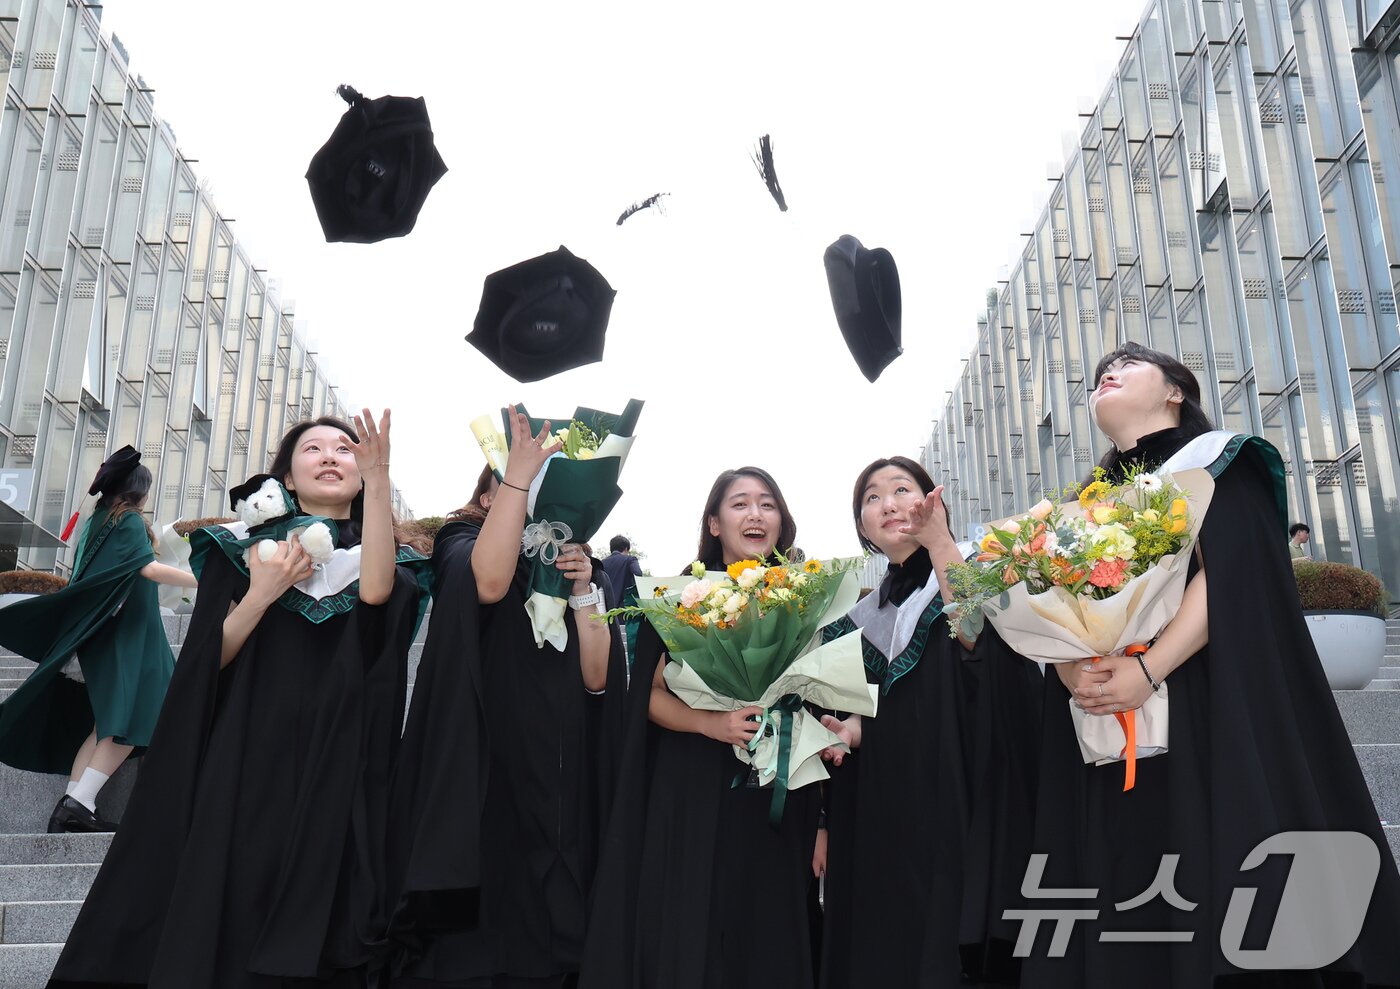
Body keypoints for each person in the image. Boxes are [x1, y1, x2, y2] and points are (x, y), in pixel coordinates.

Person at [1023, 342, 1400, 987]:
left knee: (1216, 860)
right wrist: (1073, 671)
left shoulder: (1223, 460)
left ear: (1176, 390)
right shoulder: (1079, 504)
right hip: (1109, 712)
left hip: (1205, 693)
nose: (1105, 375)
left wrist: (1150, 669)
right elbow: (1053, 606)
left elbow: (1231, 572)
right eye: (1098, 374)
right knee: (1131, 876)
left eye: (1128, 365)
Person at [49, 411, 432, 989]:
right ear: (288, 474)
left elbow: (376, 591)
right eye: (313, 449)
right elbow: (210, 656)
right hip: (248, 749)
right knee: (234, 893)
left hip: (342, 754)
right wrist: (263, 593)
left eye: (345, 449)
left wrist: (379, 487)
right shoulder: (239, 547)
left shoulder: (390, 555)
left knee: (327, 905)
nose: (330, 456)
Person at [383, 407, 614, 989]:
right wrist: (517, 473)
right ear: (489, 496)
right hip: (483, 738)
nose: (535, 481)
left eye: (545, 477)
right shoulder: (460, 539)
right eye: (516, 476)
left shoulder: (582, 561)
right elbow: (486, 582)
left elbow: (597, 678)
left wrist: (586, 589)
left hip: (556, 750)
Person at [581, 467, 821, 989]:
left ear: (782, 521)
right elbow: (644, 695)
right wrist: (709, 723)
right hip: (694, 778)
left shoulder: (808, 598)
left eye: (767, 504)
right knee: (694, 917)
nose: (755, 514)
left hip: (778, 785)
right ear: (713, 523)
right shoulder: (677, 598)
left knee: (769, 922)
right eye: (739, 504)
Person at [816, 456, 1042, 988]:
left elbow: (977, 641)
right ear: (862, 525)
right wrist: (849, 729)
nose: (888, 503)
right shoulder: (861, 618)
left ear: (931, 501)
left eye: (901, 489)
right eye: (871, 497)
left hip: (965, 787)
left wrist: (941, 544)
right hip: (888, 802)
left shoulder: (976, 566)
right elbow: (886, 706)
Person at [0, 446, 197, 832]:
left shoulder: (98, 522)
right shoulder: (129, 522)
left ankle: (73, 807)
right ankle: (78, 802)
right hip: (129, 637)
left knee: (108, 724)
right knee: (134, 721)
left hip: (109, 631)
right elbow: (149, 570)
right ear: (139, 492)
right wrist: (203, 578)